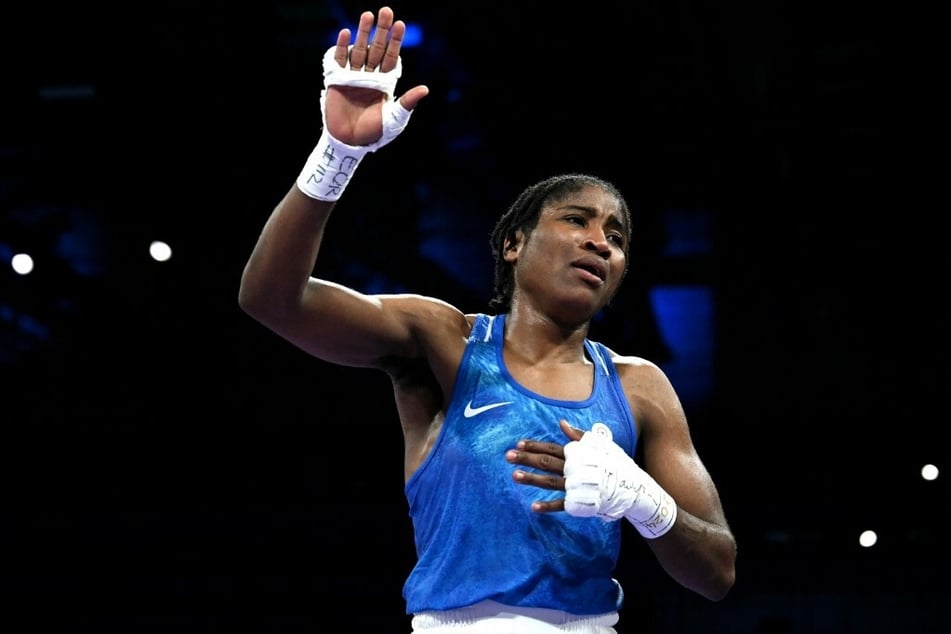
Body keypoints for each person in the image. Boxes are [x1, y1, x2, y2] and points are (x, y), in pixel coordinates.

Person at [238, 6, 736, 632]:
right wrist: (336, 155)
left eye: (616, 236)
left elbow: (718, 572)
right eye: (577, 220)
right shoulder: (443, 339)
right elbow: (271, 300)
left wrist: (644, 500)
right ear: (514, 242)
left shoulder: (639, 387)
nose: (600, 242)